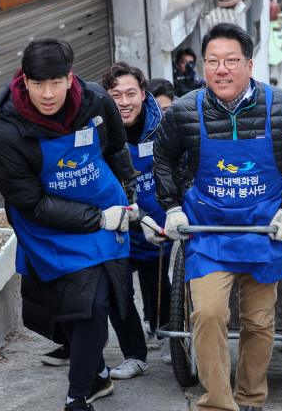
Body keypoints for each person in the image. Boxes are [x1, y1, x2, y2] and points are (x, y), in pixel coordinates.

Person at [153, 23, 282, 411]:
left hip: (264, 230)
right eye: (212, 61)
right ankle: (217, 402)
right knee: (209, 313)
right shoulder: (182, 111)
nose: (221, 69)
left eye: (231, 61)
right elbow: (162, 158)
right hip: (209, 233)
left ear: (249, 64)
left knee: (259, 322)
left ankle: (250, 398)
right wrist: (172, 206)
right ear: (202, 66)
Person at [0, 38, 138, 411]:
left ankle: (77, 397)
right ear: (24, 81)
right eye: (38, 84)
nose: (48, 93)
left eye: (56, 81)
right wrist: (99, 219)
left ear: (70, 77)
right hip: (48, 228)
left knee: (95, 303)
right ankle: (99, 376)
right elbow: (31, 202)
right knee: (71, 306)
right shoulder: (7, 134)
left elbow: (116, 147)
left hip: (105, 213)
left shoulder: (96, 101)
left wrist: (129, 197)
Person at [102, 62, 173, 376]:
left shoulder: (165, 126)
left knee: (158, 284)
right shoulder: (98, 129)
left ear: (144, 94)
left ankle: (168, 335)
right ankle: (134, 355)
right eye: (115, 94)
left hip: (156, 225)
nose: (123, 101)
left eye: (131, 92)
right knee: (117, 290)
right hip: (119, 223)